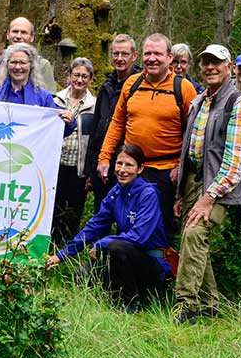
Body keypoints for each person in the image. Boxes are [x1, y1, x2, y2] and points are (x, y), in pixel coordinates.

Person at [173, 45, 241, 324]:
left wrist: (208, 198)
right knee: (193, 239)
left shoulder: (239, 104)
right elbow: (188, 150)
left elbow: (236, 162)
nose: (210, 67)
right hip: (192, 181)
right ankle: (210, 303)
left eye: (216, 63)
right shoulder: (199, 101)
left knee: (194, 234)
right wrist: (179, 193)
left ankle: (185, 306)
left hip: (219, 186)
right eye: (205, 62)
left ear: (230, 67)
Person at [47, 144, 173, 313]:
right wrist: (61, 255)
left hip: (153, 263)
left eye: (129, 165)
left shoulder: (148, 194)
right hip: (126, 258)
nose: (122, 170)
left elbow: (139, 237)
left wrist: (102, 244)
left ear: (140, 168)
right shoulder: (115, 192)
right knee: (82, 275)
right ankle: (121, 297)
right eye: (119, 164)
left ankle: (131, 305)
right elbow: (94, 227)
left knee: (115, 247)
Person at [96, 33, 198, 237]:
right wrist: (105, 157)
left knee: (161, 227)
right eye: (148, 53)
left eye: (158, 54)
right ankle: (121, 263)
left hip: (166, 171)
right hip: (131, 168)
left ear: (169, 57)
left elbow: (193, 133)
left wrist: (181, 165)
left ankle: (161, 267)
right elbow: (117, 122)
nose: (152, 58)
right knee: (126, 221)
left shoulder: (184, 88)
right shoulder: (132, 84)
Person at [83, 34, 140, 205]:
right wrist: (90, 169)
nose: (119, 58)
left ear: (134, 56)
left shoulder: (140, 85)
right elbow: (96, 127)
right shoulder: (107, 85)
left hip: (125, 161)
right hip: (102, 162)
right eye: (116, 54)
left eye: (124, 54)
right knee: (102, 210)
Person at [52, 58, 97, 244]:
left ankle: (66, 245)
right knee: (54, 204)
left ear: (91, 79)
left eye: (84, 76)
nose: (80, 80)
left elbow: (94, 139)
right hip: (56, 163)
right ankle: (50, 241)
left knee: (74, 208)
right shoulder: (56, 99)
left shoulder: (94, 105)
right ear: (69, 76)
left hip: (78, 166)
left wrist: (90, 171)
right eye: (76, 75)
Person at [0, 16, 56, 93]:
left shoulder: (43, 65)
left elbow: (49, 100)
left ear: (31, 37)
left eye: (24, 32)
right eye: (15, 31)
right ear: (8, 35)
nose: (18, 36)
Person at [0, 42, 56, 107]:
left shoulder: (44, 97)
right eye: (13, 62)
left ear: (31, 65)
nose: (17, 67)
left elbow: (52, 119)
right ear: (7, 64)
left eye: (22, 63)